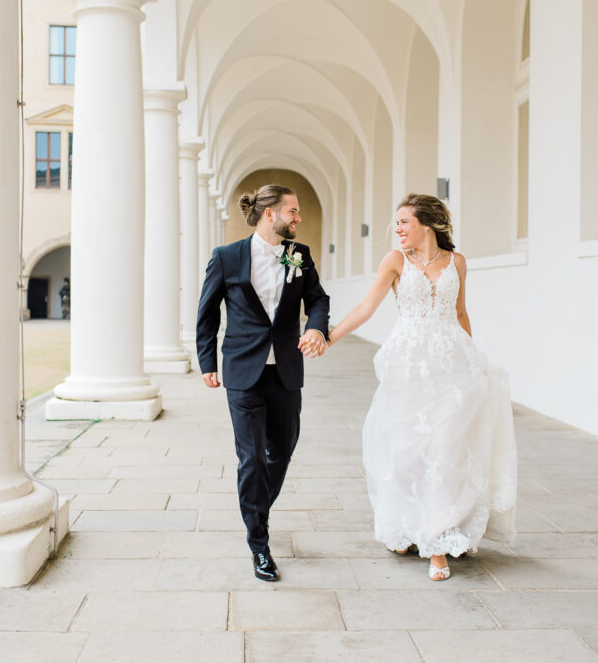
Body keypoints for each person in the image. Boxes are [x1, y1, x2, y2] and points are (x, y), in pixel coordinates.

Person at [326, 193, 517, 581]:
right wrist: (330, 337)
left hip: (452, 365)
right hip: (409, 367)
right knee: (408, 451)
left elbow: (461, 311)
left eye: (403, 222)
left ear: (426, 224)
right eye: (396, 224)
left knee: (446, 449)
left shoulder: (457, 262)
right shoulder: (396, 261)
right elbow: (367, 306)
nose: (397, 230)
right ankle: (406, 526)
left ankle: (437, 541)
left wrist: (473, 359)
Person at [196, 184, 330, 581]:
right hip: (242, 371)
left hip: (286, 370)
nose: (298, 218)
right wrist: (206, 360)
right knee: (251, 458)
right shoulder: (226, 257)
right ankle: (259, 543)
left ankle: (256, 509)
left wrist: (317, 329)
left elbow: (318, 299)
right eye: (293, 210)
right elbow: (207, 313)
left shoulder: (299, 255)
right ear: (270, 214)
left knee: (281, 452)